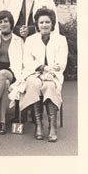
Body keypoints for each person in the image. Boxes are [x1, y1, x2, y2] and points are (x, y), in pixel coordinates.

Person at [14, 7, 68, 142]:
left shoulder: (61, 40)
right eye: (41, 22)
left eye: (47, 22)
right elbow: (27, 61)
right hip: (34, 73)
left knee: (49, 86)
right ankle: (39, 124)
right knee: (33, 84)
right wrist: (42, 68)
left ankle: (52, 126)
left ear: (52, 24)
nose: (44, 25)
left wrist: (51, 70)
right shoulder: (31, 40)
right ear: (37, 25)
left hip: (52, 75)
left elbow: (61, 62)